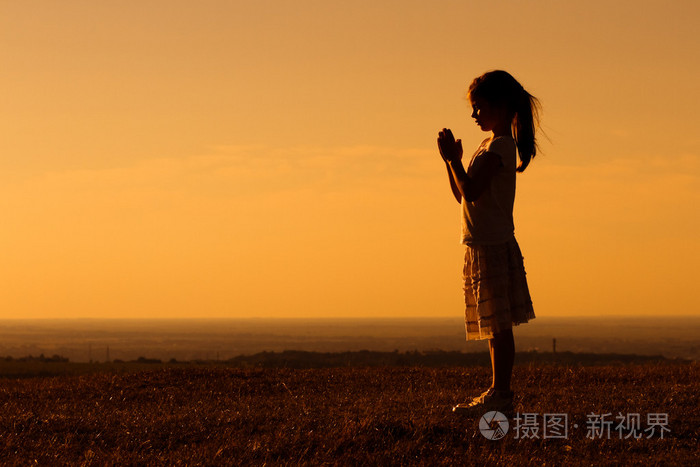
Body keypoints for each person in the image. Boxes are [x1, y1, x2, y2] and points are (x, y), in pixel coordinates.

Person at [437, 70, 540, 416]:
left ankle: (502, 392)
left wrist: (453, 159)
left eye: (479, 107)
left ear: (499, 106)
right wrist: (450, 163)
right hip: (482, 243)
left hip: (493, 245)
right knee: (495, 323)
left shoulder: (500, 146)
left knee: (499, 324)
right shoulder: (488, 146)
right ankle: (498, 390)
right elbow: (463, 196)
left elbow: (472, 190)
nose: (474, 115)